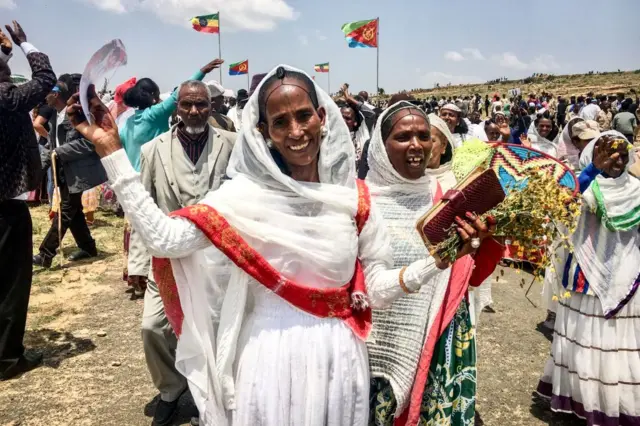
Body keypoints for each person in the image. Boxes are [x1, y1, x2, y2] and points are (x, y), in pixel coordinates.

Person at [68, 65, 488, 425]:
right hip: (268, 359)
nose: (296, 131)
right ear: (262, 131)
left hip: (340, 361)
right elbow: (165, 238)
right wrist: (112, 152)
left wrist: (438, 259)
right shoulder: (243, 197)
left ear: (322, 117)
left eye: (304, 116)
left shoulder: (354, 199)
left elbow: (374, 289)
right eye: (280, 122)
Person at [366, 106, 502, 425]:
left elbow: (470, 274)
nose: (416, 145)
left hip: (437, 336)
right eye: (402, 137)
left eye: (423, 136)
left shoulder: (447, 199)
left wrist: (484, 241)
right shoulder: (362, 200)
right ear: (380, 146)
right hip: (377, 348)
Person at [126, 80, 236, 426]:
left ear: (211, 107)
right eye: (187, 104)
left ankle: (219, 397)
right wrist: (138, 265)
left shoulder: (232, 145)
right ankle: (171, 391)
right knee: (153, 327)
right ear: (176, 108)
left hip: (218, 260)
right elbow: (143, 211)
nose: (194, 111)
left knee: (219, 331)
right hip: (169, 260)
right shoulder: (153, 150)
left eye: (201, 105)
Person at [536, 131, 640, 426]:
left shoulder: (636, 189)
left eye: (622, 153)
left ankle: (614, 403)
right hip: (584, 274)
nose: (616, 159)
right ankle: (582, 399)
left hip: (627, 275)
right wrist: (593, 169)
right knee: (585, 340)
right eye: (607, 152)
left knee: (617, 343)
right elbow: (561, 203)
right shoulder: (583, 182)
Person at [0, 21, 56, 380]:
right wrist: (24, 43)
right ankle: (8, 358)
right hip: (5, 206)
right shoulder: (6, 97)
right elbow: (45, 76)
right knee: (12, 281)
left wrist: (5, 53)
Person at [33, 74, 107, 268]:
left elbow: (90, 143)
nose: (47, 94)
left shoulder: (78, 114)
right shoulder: (54, 115)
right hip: (64, 171)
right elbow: (51, 147)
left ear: (59, 94)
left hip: (77, 172)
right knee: (73, 213)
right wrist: (37, 170)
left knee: (65, 211)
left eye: (52, 90)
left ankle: (45, 254)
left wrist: (60, 152)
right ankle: (88, 247)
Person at [120, 58, 223, 172]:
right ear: (153, 96)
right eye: (158, 95)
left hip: (134, 177)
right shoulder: (155, 114)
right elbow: (178, 94)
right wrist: (202, 71)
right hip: (155, 175)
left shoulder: (128, 123)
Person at [336, 99, 369, 170]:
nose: (343, 120)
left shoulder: (361, 135)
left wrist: (349, 98)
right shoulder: (332, 136)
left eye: (347, 118)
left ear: (355, 122)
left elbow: (370, 114)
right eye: (341, 117)